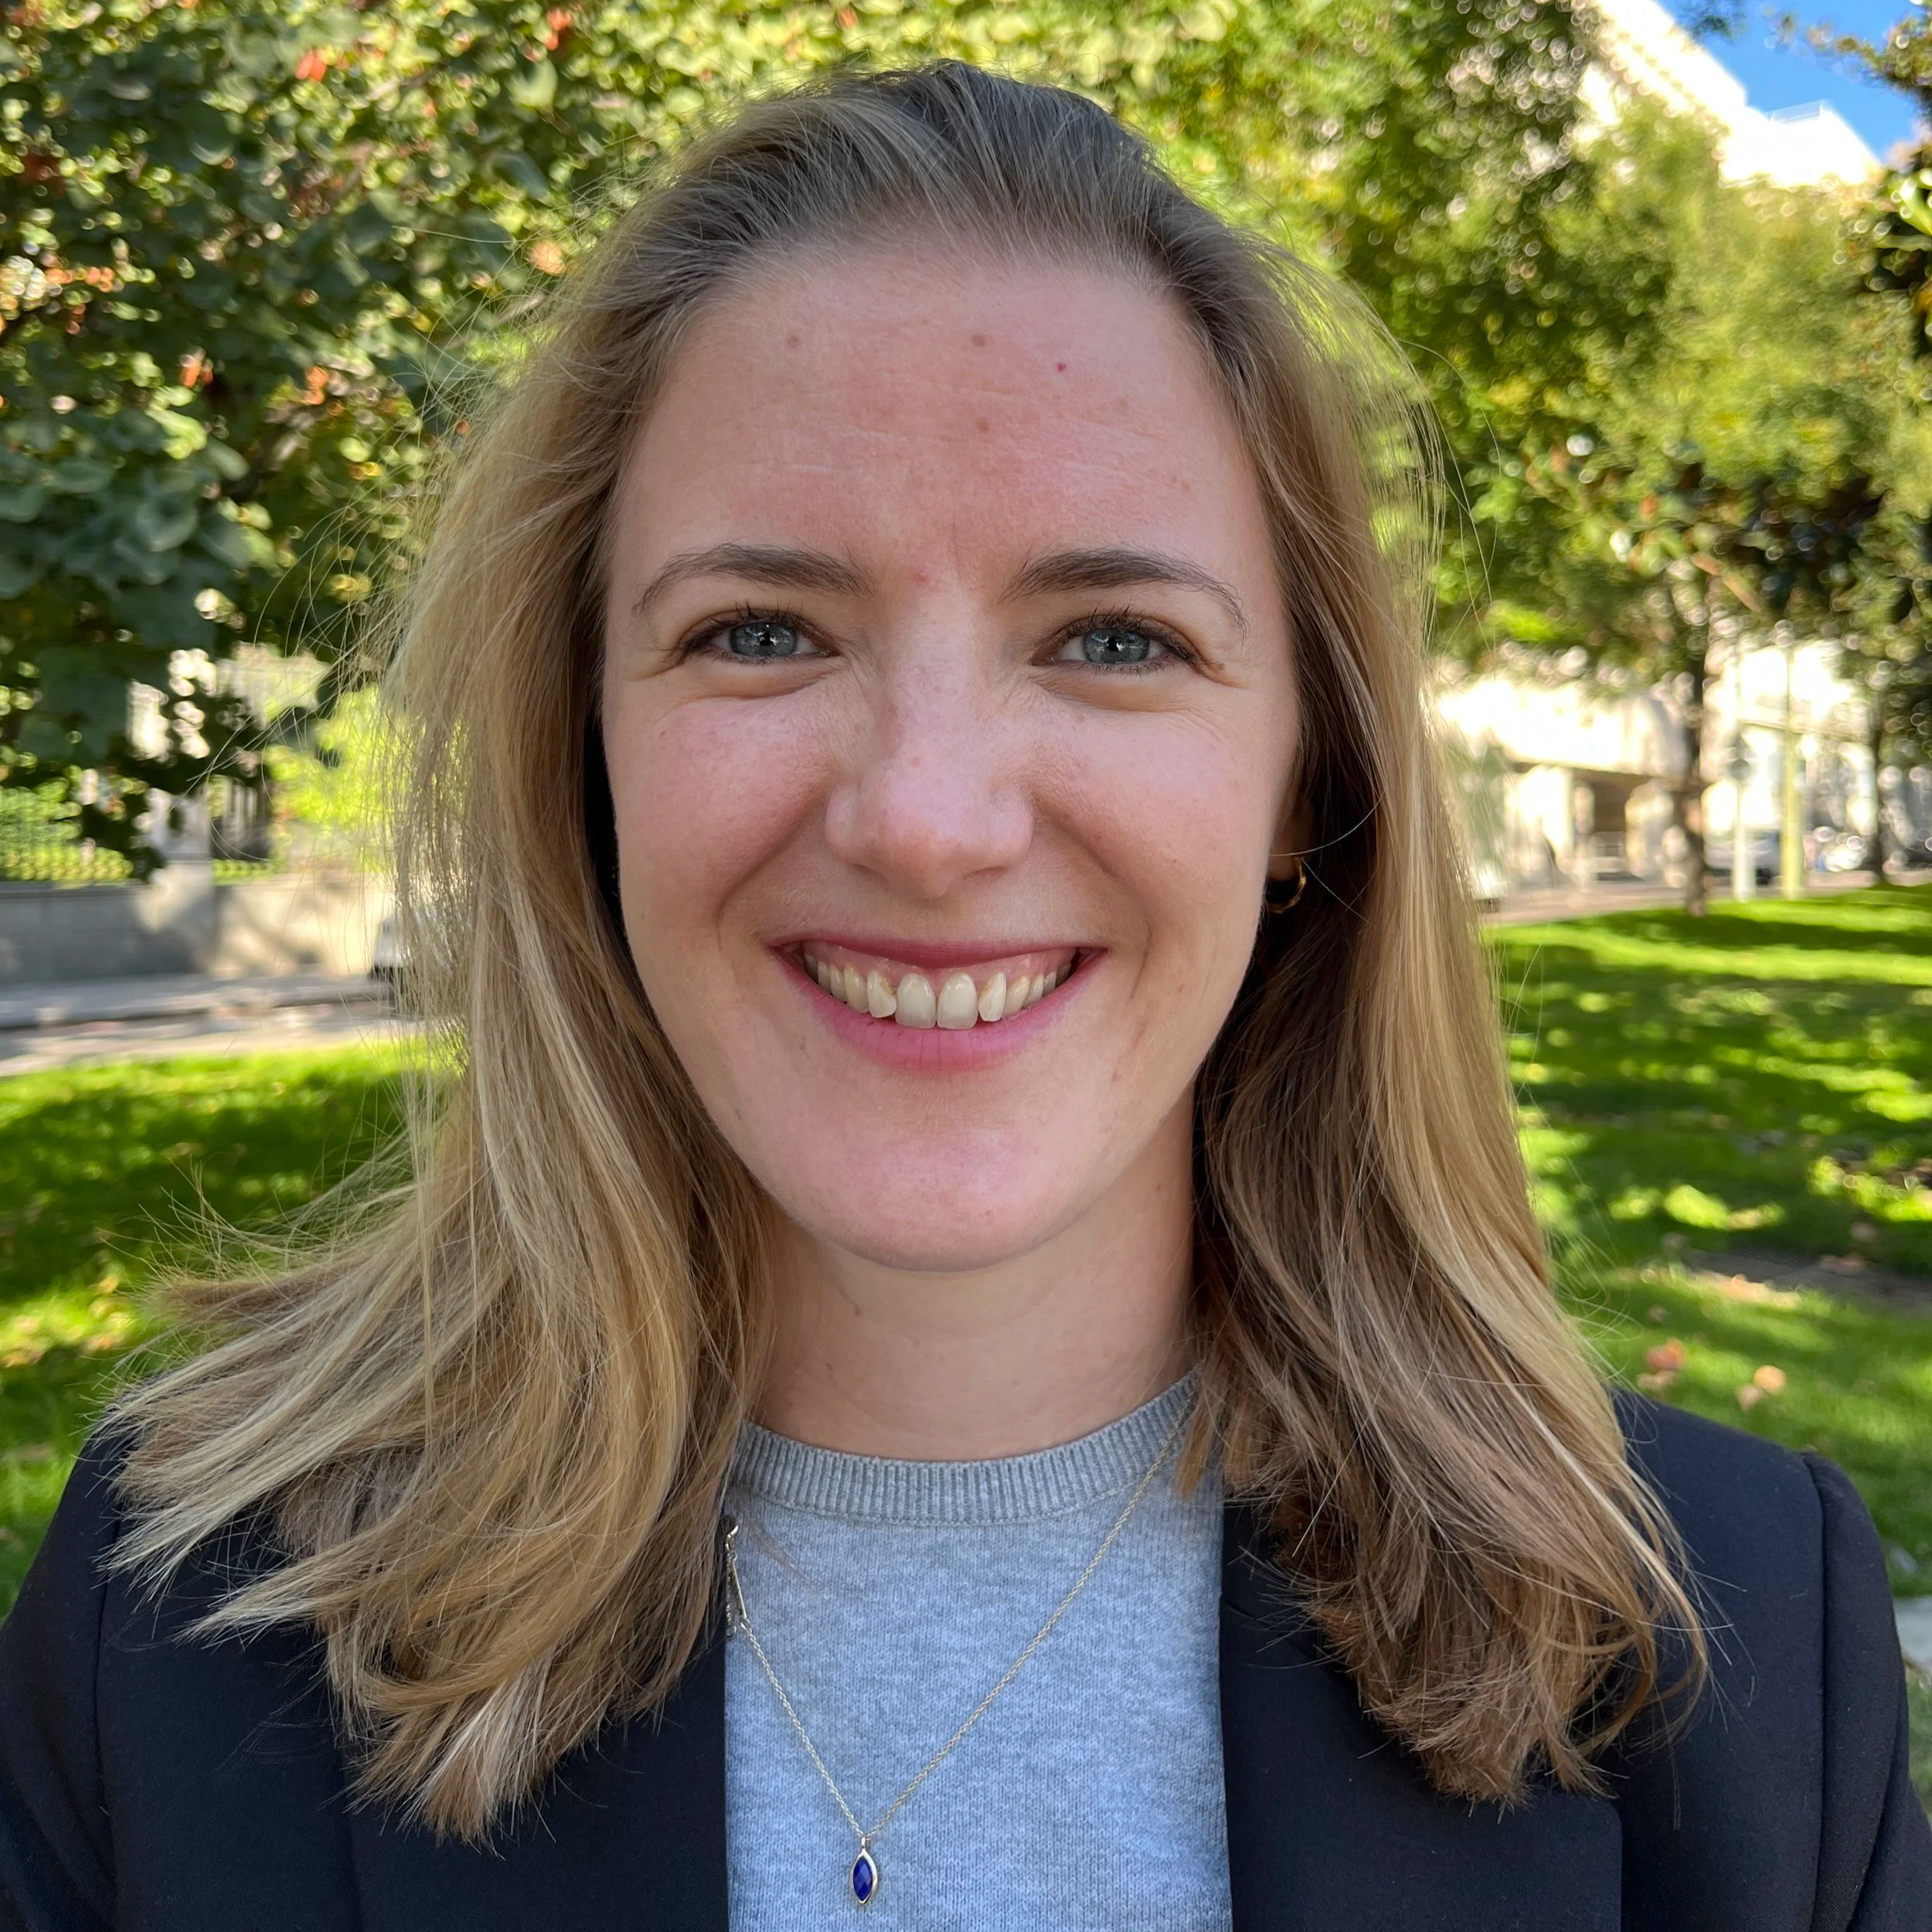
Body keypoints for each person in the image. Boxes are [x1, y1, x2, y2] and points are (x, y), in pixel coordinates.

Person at [0, 63, 1926, 1932]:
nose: (925, 818)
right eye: (758, 630)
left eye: (1111, 638)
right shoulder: (168, 1624)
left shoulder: (1740, 1657)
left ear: (1303, 786)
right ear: (580, 758)